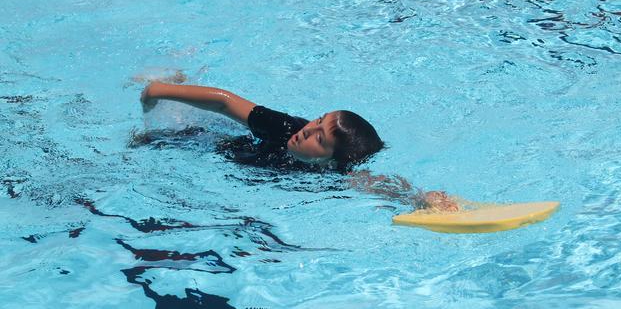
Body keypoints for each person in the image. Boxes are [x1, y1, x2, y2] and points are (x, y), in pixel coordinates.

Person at [139, 82, 458, 211]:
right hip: (220, 144)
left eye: (318, 138)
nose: (307, 132)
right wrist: (158, 90)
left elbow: (376, 183)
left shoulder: (335, 174)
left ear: (330, 161)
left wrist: (420, 197)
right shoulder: (287, 127)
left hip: (244, 169)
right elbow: (224, 103)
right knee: (152, 141)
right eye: (317, 121)